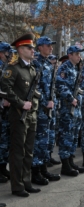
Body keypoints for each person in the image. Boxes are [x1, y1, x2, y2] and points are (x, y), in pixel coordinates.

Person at [2, 33, 41, 197]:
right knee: (18, 152)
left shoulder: (32, 69)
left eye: (32, 47)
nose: (33, 50)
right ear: (20, 49)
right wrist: (20, 103)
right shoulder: (13, 68)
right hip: (18, 115)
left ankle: (26, 181)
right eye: (29, 48)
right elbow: (4, 89)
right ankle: (17, 186)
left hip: (31, 115)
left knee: (29, 150)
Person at [31, 36, 61, 186]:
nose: (51, 48)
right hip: (40, 109)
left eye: (51, 46)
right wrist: (45, 102)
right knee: (39, 141)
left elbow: (51, 87)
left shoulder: (48, 65)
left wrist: (53, 101)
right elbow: (33, 89)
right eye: (48, 46)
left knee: (47, 141)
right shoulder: (36, 64)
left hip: (49, 109)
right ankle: (35, 172)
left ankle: (43, 169)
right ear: (40, 47)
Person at [56, 45, 84, 175]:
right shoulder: (64, 68)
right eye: (77, 54)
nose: (79, 56)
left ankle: (71, 160)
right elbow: (60, 86)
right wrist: (70, 98)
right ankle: (65, 165)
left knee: (74, 136)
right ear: (70, 55)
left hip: (76, 108)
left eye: (80, 54)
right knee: (66, 136)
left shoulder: (75, 68)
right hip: (67, 108)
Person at [0, 42, 16, 183]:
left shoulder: (7, 67)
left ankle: (2, 167)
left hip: (6, 111)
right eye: (7, 52)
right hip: (1, 107)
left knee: (5, 141)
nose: (10, 55)